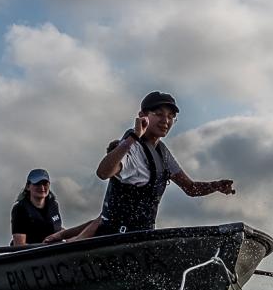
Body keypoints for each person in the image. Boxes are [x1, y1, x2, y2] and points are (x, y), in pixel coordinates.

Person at [93, 90, 234, 235]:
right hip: (115, 237)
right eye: (159, 114)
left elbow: (191, 188)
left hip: (142, 236)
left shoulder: (162, 153)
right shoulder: (132, 147)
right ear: (143, 116)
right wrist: (133, 137)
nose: (165, 121)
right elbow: (103, 173)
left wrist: (216, 186)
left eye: (171, 116)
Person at [10, 169, 62, 245]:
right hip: (33, 254)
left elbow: (58, 230)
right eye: (37, 184)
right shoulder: (19, 209)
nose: (42, 187)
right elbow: (19, 245)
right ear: (28, 186)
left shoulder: (54, 205)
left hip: (55, 250)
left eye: (45, 184)